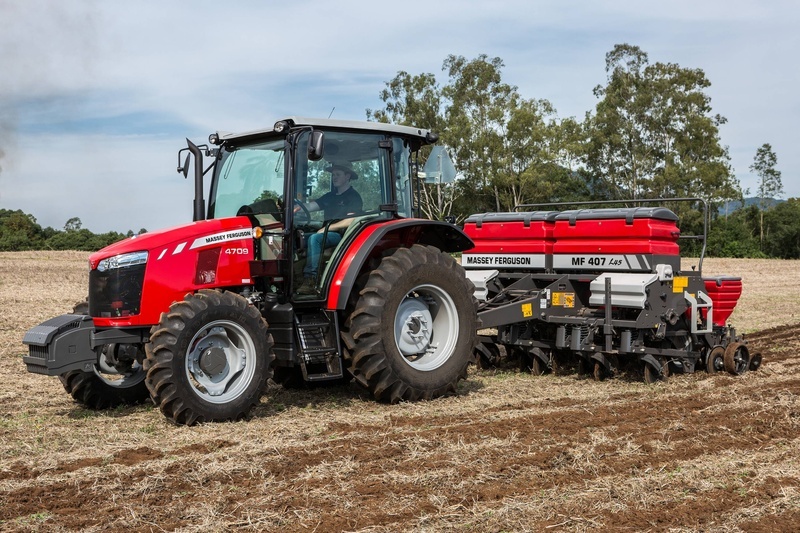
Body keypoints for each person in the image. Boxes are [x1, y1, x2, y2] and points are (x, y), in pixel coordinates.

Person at [295, 163, 363, 294]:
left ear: (347, 176)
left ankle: (311, 279)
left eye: (338, 175)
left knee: (315, 239)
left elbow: (351, 221)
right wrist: (297, 208)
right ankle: (294, 274)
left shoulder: (353, 197)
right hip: (326, 232)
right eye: (333, 175)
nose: (334, 178)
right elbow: (312, 206)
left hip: (342, 235)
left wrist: (328, 228)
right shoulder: (330, 196)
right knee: (297, 236)